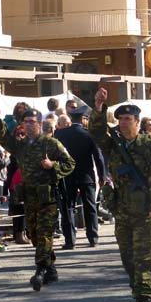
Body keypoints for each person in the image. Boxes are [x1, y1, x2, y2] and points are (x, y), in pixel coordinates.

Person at [89, 88, 151, 302]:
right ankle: (143, 297)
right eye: (120, 119)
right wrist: (99, 107)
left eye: (128, 119)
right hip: (122, 211)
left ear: (137, 122)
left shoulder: (149, 148)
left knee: (143, 259)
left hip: (145, 213)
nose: (123, 123)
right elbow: (95, 132)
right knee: (128, 259)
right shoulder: (114, 145)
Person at [0, 107, 75, 291]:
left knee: (44, 234)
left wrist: (52, 165)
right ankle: (50, 269)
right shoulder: (21, 145)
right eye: (26, 122)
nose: (28, 125)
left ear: (39, 124)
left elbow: (70, 163)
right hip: (29, 197)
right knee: (34, 234)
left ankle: (40, 270)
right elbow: (6, 140)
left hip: (47, 198)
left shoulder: (50, 143)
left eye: (32, 122)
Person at [55, 105, 106, 249]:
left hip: (67, 175)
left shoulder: (60, 134)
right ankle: (93, 237)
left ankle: (70, 240)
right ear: (83, 119)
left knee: (68, 207)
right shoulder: (89, 134)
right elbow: (98, 156)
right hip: (86, 175)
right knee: (90, 206)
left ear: (70, 118)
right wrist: (102, 175)